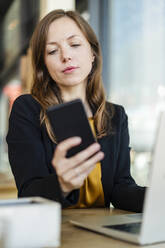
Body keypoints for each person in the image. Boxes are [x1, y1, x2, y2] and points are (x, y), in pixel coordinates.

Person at [6, 9, 145, 212]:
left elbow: (120, 187)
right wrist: (62, 184)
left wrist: (156, 196)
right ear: (44, 65)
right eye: (52, 51)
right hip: (54, 231)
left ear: (93, 53)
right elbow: (28, 193)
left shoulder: (115, 115)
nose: (66, 56)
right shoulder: (28, 109)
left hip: (100, 233)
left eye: (75, 45)